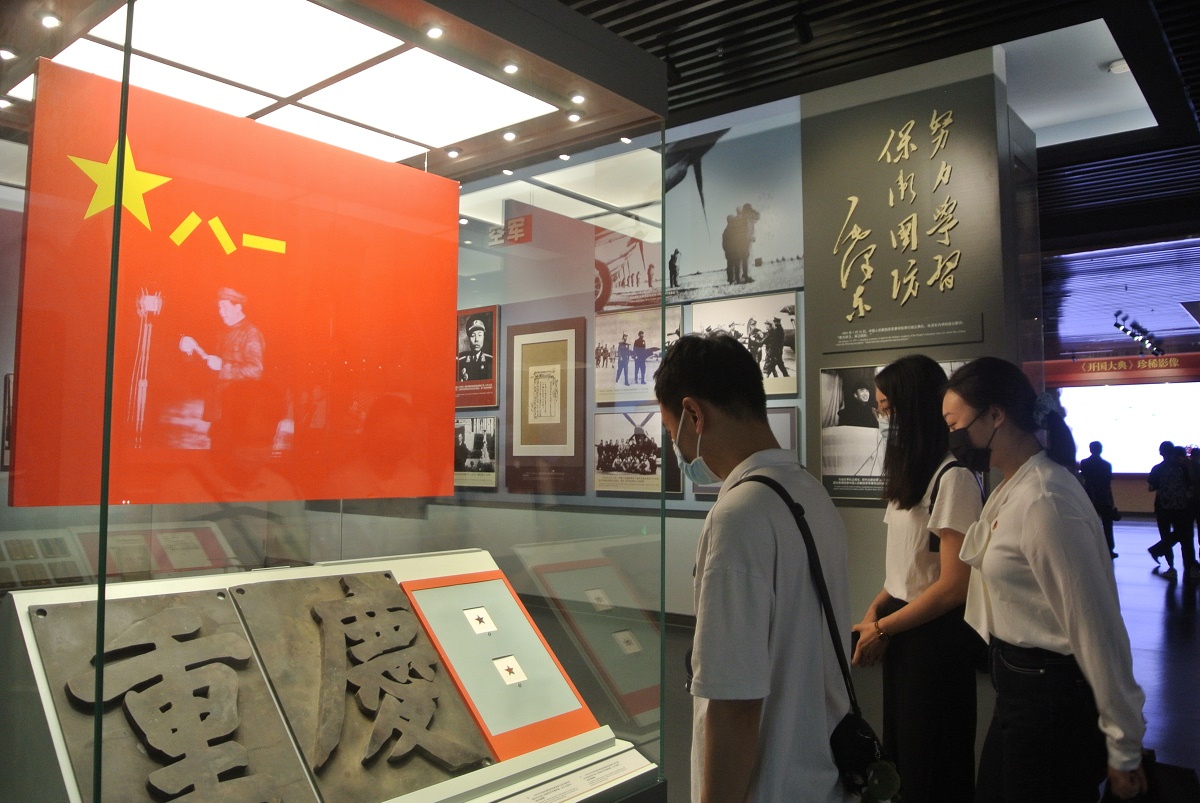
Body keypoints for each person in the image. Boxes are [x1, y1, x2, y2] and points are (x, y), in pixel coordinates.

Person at [655, 333, 852, 802]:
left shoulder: (738, 518)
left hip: (768, 786)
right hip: (819, 775)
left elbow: (734, 702)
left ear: (694, 415)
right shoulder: (808, 492)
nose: (675, 447)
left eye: (670, 429)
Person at [943, 356, 1146, 803]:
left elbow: (1097, 628)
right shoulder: (1012, 487)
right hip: (1019, 687)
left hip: (1048, 697)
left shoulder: (1045, 500)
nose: (953, 438)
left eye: (955, 424)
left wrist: (1124, 745)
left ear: (996, 415)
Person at [851, 355, 983, 803]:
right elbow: (904, 571)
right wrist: (875, 612)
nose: (882, 420)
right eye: (879, 409)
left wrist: (883, 626)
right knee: (904, 753)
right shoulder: (911, 477)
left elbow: (953, 586)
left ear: (913, 408)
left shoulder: (954, 478)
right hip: (904, 631)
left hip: (935, 639)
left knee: (933, 759)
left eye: (888, 409)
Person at [180, 287, 267, 450]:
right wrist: (190, 352)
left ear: (238, 307)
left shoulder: (251, 333)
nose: (221, 312)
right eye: (219, 307)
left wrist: (222, 365)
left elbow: (256, 370)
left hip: (239, 413)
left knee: (233, 455)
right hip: (220, 413)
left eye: (225, 307)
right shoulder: (224, 333)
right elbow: (211, 369)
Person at [1147, 440, 1192, 580]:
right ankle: (1189, 568)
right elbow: (1189, 487)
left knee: (1165, 536)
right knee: (1183, 536)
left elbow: (1151, 488)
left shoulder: (1158, 468)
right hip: (1180, 508)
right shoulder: (1182, 468)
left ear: (1161, 453)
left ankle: (1171, 567)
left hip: (1163, 507)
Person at [1079, 441, 1118, 558]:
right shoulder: (1106, 465)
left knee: (1089, 524)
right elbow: (1107, 483)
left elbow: (1083, 478)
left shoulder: (1084, 463)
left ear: (1090, 449)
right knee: (1107, 525)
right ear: (1101, 450)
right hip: (1104, 497)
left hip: (1089, 497)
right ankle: (1109, 549)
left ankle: (1090, 548)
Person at [457, 317, 493, 381]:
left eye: (480, 335)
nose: (476, 339)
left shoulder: (491, 360)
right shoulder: (460, 362)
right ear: (469, 338)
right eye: (473, 335)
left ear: (484, 337)